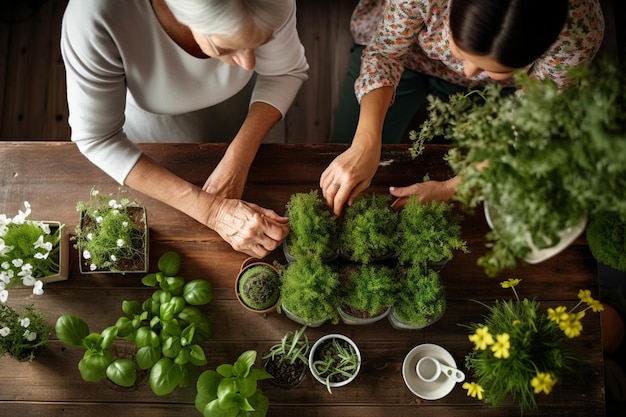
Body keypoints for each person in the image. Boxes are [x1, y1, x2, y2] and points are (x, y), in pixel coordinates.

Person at [61, 0, 309, 258]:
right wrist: (212, 211)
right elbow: (98, 138)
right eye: (226, 47)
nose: (248, 65)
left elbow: (284, 72)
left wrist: (239, 156)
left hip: (246, 114)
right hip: (156, 140)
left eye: (260, 43)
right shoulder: (95, 15)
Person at [321, 0, 604, 216]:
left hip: (489, 95)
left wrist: (449, 188)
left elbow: (531, 126)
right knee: (341, 155)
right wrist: (364, 144)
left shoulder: (576, 37)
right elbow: (385, 52)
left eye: (492, 68)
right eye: (460, 51)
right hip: (407, 57)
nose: (468, 72)